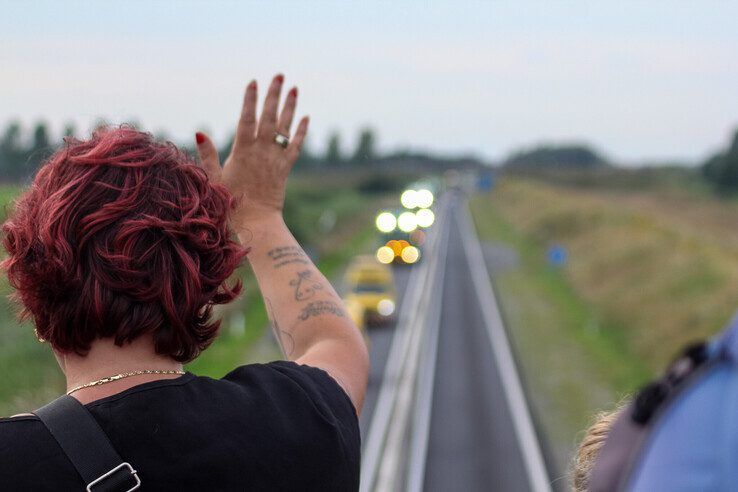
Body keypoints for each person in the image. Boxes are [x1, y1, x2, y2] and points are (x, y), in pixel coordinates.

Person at [0, 74, 369, 491]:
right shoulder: (296, 420)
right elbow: (337, 346)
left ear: (34, 290)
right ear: (202, 286)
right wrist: (260, 215)